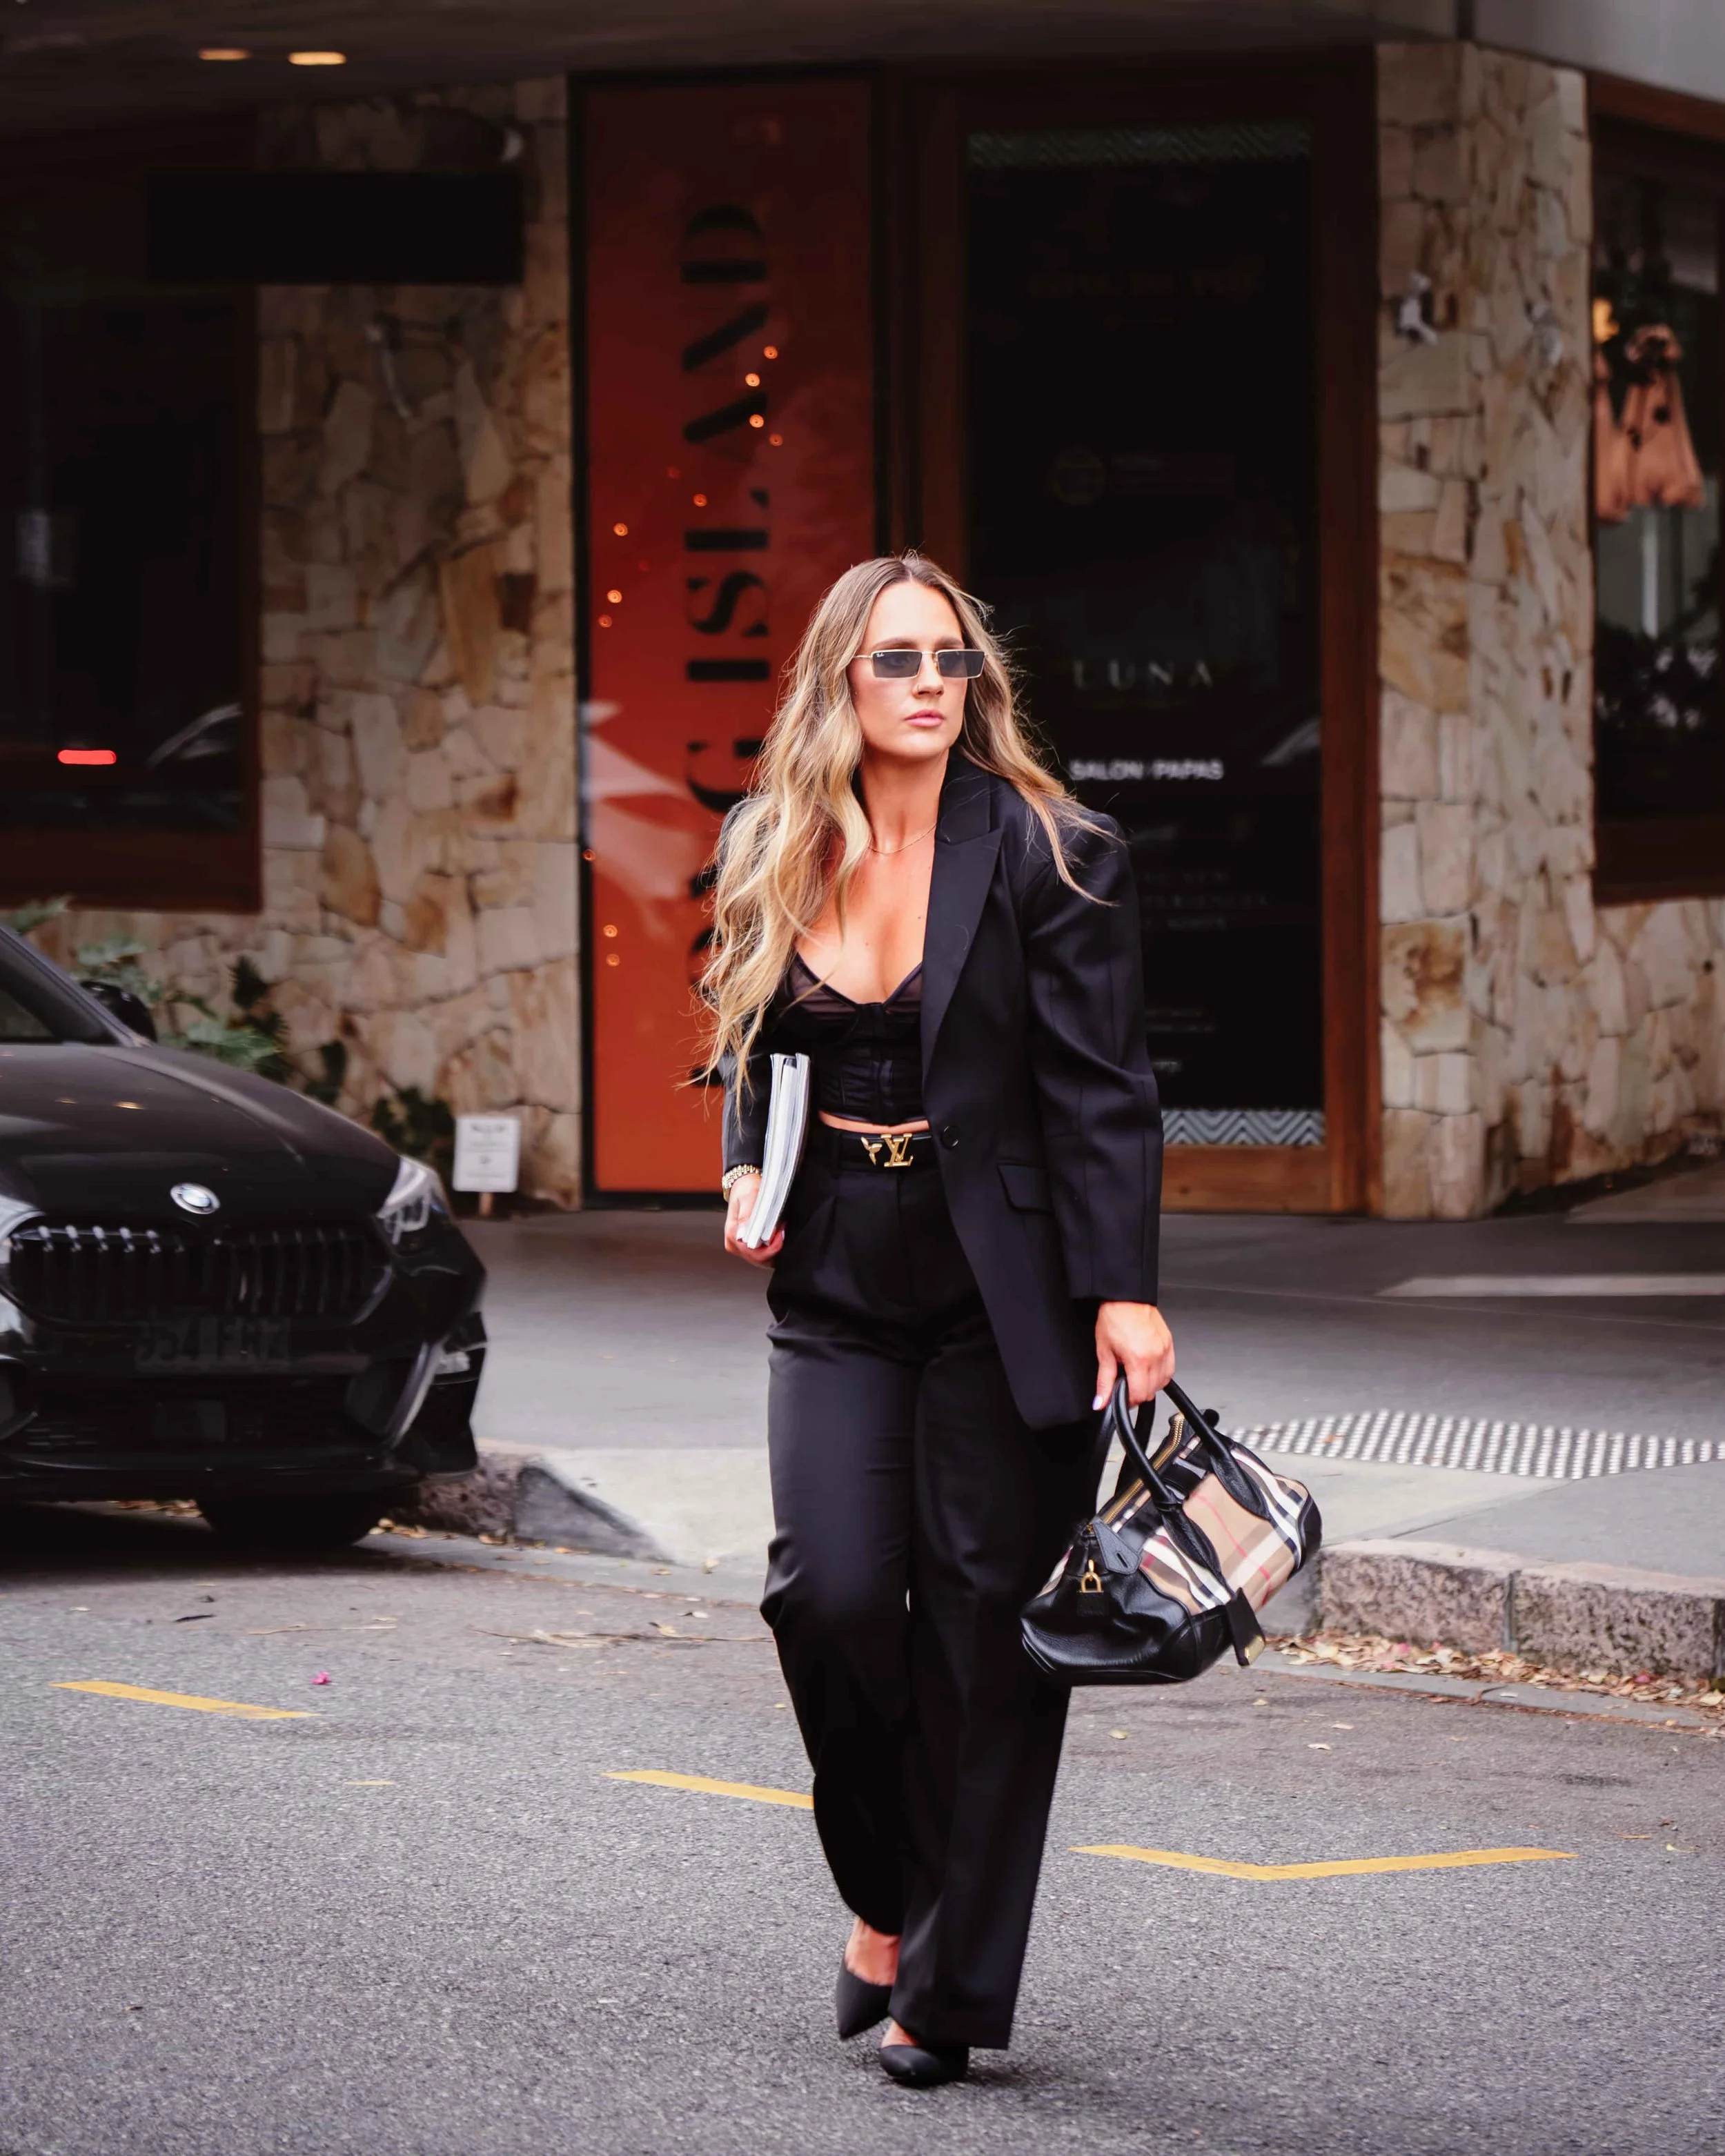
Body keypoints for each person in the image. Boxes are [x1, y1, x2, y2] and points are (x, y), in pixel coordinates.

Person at [703, 553, 1172, 2089]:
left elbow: (1100, 1087)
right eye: (895, 659)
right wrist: (741, 1175)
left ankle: (944, 1994)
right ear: (838, 678)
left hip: (1004, 1278)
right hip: (836, 1258)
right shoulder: (771, 841)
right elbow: (757, 1050)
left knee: (983, 1631)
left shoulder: (1049, 845)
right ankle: (885, 1890)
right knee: (825, 1595)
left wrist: (1124, 1291)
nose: (927, 684)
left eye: (951, 661)